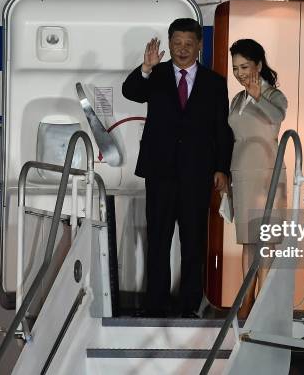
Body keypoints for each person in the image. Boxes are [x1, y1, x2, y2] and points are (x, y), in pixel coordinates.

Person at [122, 18, 233, 318]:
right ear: (169, 44)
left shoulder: (214, 82)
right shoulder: (155, 75)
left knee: (193, 242)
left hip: (197, 174)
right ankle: (155, 304)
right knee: (157, 239)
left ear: (199, 45)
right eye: (176, 43)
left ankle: (188, 306)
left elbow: (221, 130)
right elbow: (130, 92)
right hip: (160, 172)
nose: (182, 49)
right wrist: (145, 67)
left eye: (188, 44)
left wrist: (222, 168)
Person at [227, 39, 287, 318]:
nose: (239, 73)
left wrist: (259, 95)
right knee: (248, 241)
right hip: (240, 173)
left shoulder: (274, 95)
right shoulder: (237, 99)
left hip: (267, 174)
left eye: (245, 66)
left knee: (266, 241)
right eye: (235, 67)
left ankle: (263, 302)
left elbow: (277, 118)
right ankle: (246, 299)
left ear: (259, 65)